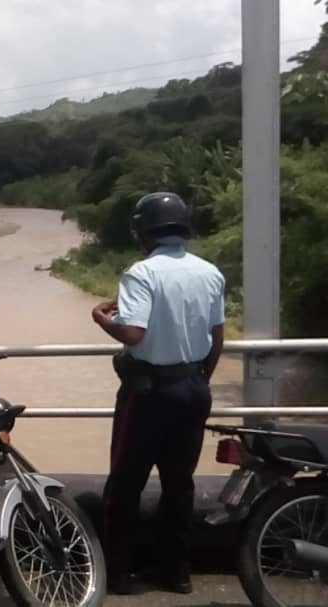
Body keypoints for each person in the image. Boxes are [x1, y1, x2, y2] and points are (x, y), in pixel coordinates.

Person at [91, 192, 225, 595]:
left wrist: (100, 318)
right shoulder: (209, 272)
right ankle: (176, 572)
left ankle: (118, 573)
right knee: (179, 483)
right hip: (194, 388)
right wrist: (200, 379)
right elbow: (216, 337)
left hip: (149, 392)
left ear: (144, 231)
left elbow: (133, 333)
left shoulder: (141, 274)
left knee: (126, 482)